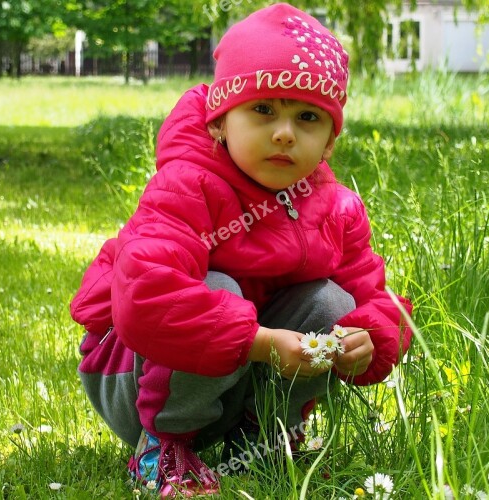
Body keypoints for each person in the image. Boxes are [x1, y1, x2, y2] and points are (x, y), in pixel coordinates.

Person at [69, 3, 413, 497]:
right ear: (219, 123)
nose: (284, 132)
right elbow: (147, 296)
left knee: (334, 304)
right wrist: (264, 342)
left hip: (237, 378)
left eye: (308, 117)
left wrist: (371, 339)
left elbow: (376, 297)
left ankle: (265, 439)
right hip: (136, 377)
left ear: (329, 143)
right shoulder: (188, 185)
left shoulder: (335, 208)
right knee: (217, 287)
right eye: (264, 109)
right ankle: (163, 447)